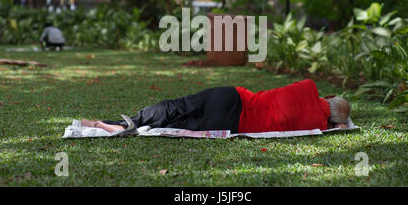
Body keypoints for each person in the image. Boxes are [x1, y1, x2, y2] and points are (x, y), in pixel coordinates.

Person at [81, 79, 351, 134]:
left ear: (328, 100)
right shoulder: (316, 126)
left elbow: (314, 97)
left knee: (177, 106)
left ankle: (128, 120)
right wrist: (335, 123)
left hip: (234, 97)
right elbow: (337, 125)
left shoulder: (308, 87)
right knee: (179, 125)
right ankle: (119, 127)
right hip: (232, 123)